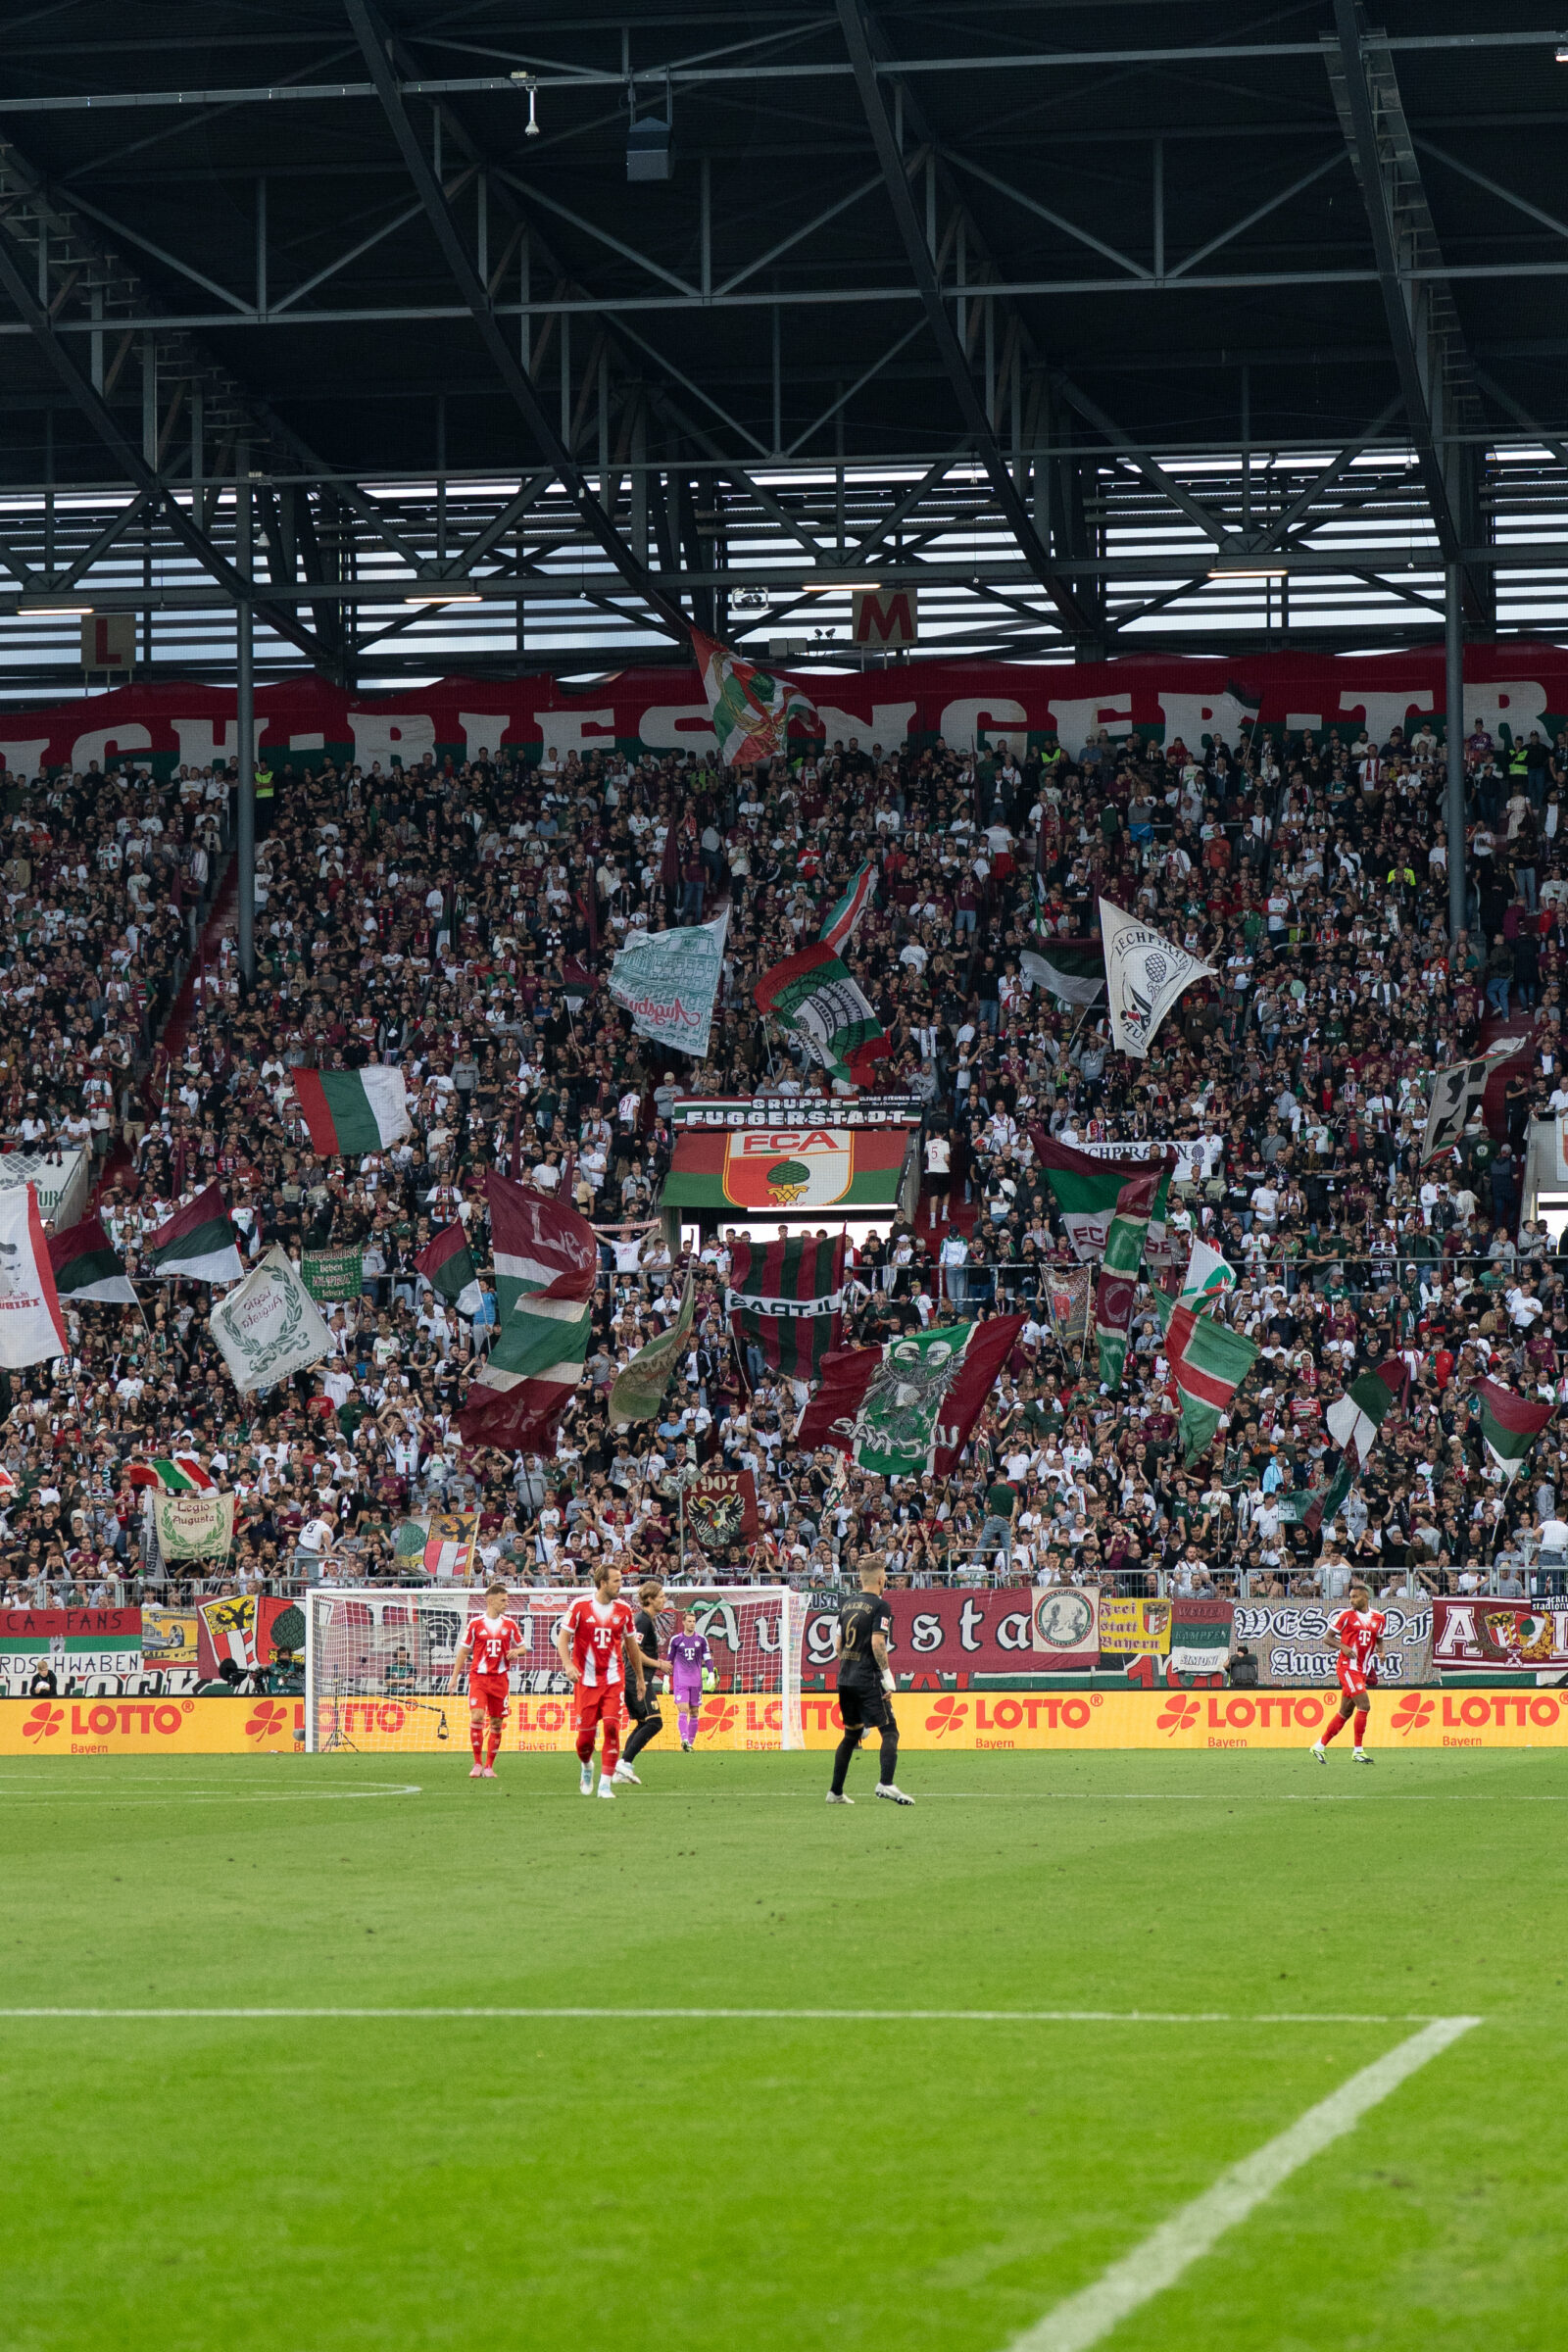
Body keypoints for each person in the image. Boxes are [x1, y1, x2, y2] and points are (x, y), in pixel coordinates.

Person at [827, 1557, 913, 1806]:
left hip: (845, 1678)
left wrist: (851, 1667)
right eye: (885, 1577)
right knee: (890, 1731)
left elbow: (837, 1646)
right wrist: (886, 1677)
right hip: (868, 1678)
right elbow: (878, 1643)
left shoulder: (846, 1605)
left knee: (851, 1735)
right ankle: (886, 1783)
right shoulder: (880, 1606)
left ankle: (835, 1792)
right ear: (880, 1579)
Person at [557, 1560, 644, 1799]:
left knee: (612, 1728)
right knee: (585, 1741)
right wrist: (568, 1665)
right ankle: (587, 1766)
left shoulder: (624, 1610)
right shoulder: (580, 1606)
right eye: (616, 1581)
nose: (620, 1585)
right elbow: (562, 1639)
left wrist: (640, 1678)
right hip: (585, 1681)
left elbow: (632, 1647)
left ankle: (605, 1785)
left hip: (613, 1680)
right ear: (603, 1583)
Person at [450, 1578, 524, 1779]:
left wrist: (517, 1652)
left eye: (507, 1600)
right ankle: (477, 1763)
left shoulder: (510, 1624)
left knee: (497, 1722)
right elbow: (463, 1652)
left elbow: (524, 1647)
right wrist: (453, 1678)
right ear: (490, 1601)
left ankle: (489, 1766)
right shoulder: (475, 1623)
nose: (506, 1604)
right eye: (503, 1600)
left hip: (500, 1680)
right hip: (479, 1678)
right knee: (477, 1716)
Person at [1309, 1577, 1385, 1765]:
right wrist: (1343, 1646)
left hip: (1362, 1670)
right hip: (1347, 1668)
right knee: (1364, 1705)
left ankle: (1319, 1746)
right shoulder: (1345, 1616)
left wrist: (1381, 1651)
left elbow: (1379, 1638)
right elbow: (1327, 1638)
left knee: (1345, 1712)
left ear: (1365, 1597)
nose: (1351, 1600)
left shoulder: (1379, 1618)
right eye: (1350, 1597)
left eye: (1355, 1597)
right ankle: (1358, 1751)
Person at [614, 1576, 668, 1787]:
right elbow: (633, 1649)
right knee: (654, 1722)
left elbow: (626, 1646)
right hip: (636, 1678)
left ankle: (622, 1767)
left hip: (635, 1677)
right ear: (650, 1599)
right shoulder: (642, 1620)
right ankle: (624, 1763)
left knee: (645, 1722)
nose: (664, 1600)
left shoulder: (643, 1620)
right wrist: (658, 1664)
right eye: (661, 1596)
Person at [665, 1609, 713, 1750]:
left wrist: (711, 1674)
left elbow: (707, 1658)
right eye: (689, 1621)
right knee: (683, 1709)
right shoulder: (676, 1640)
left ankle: (690, 1744)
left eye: (694, 1621)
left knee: (694, 1712)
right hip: (681, 1680)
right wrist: (666, 1678)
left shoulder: (701, 1639)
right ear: (683, 1622)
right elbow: (669, 1660)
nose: (692, 1624)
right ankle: (684, 1740)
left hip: (696, 1681)